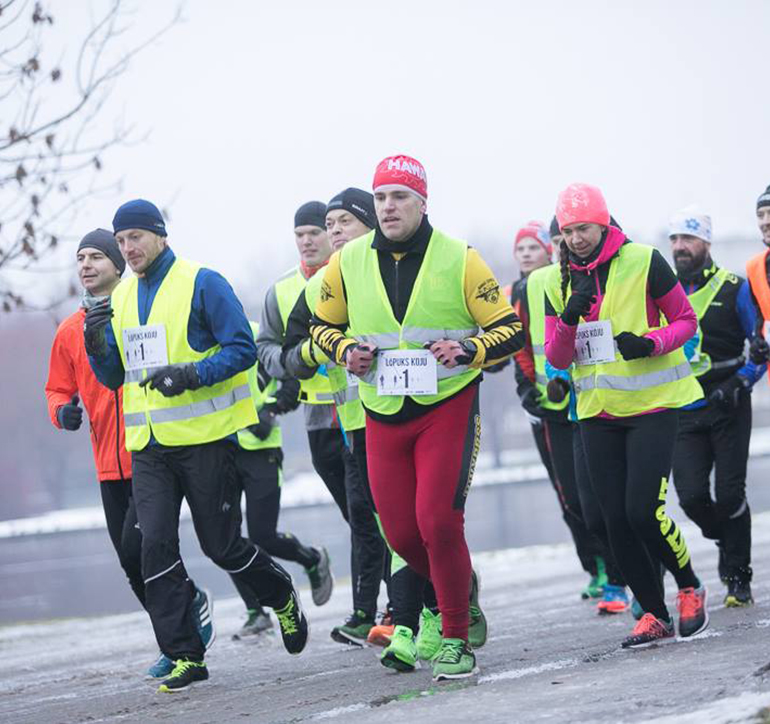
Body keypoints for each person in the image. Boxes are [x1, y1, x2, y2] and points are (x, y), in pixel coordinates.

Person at [309, 155, 524, 680]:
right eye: (380, 197)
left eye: (399, 197)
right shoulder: (348, 260)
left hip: (446, 405)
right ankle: (460, 591)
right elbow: (319, 326)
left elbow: (510, 331)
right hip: (382, 410)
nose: (388, 207)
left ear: (422, 203)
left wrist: (468, 349)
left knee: (438, 521)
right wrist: (344, 352)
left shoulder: (460, 258)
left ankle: (455, 638)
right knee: (401, 535)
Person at [86, 199, 308, 692]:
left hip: (205, 440)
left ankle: (281, 594)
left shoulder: (202, 282)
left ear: (159, 236)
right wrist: (96, 338)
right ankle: (185, 653)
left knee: (222, 546)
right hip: (148, 445)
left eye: (135, 238)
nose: (128, 248)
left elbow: (243, 349)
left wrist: (191, 374)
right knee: (151, 543)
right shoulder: (121, 297)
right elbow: (114, 376)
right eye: (121, 242)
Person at [45, 229, 215, 679]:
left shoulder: (138, 312)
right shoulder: (69, 331)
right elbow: (57, 388)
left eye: (97, 256)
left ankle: (183, 639)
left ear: (118, 265)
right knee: (129, 559)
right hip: (107, 461)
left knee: (140, 544)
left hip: (149, 452)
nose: (86, 265)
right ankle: (179, 635)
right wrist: (62, 412)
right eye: (80, 257)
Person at [545, 183, 708, 648]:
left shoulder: (644, 260)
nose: (576, 238)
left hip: (653, 406)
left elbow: (685, 321)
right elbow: (558, 358)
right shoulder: (558, 279)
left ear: (603, 223)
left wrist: (650, 342)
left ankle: (690, 584)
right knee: (610, 520)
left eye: (584, 228)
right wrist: (570, 317)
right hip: (597, 412)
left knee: (642, 511)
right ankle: (653, 612)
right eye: (568, 230)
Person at [281, 189, 387, 645]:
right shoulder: (303, 287)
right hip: (338, 418)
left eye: (338, 225)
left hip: (395, 413)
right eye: (325, 227)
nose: (323, 236)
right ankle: (382, 609)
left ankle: (411, 603)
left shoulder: (385, 270)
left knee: (387, 516)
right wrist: (306, 357)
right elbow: (286, 350)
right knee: (363, 516)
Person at [508, 220, 615, 605]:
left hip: (590, 401)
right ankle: (597, 567)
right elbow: (520, 343)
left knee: (600, 493)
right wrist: (526, 390)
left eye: (535, 246)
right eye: (520, 248)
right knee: (569, 496)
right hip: (549, 409)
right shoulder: (520, 291)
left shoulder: (578, 278)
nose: (527, 254)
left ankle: (622, 568)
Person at [668, 207, 764, 607]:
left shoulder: (734, 286)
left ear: (706, 243)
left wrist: (742, 381)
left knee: (729, 494)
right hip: (682, 409)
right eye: (673, 239)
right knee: (690, 497)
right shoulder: (662, 291)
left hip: (729, 404)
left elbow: (760, 346)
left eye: (688, 239)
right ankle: (726, 536)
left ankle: (737, 579)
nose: (679, 247)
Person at [255, 202, 344, 580]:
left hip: (362, 409)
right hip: (316, 413)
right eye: (300, 235)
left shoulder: (351, 276)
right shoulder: (281, 289)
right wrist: (293, 366)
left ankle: (384, 609)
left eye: (314, 232)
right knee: (352, 512)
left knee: (373, 512)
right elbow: (266, 350)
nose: (307, 241)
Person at [231, 320, 333, 638]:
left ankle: (311, 558)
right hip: (219, 452)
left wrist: (271, 410)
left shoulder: (255, 333)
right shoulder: (196, 341)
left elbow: (292, 381)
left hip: (262, 450)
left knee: (263, 536)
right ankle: (255, 612)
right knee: (225, 539)